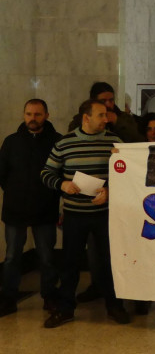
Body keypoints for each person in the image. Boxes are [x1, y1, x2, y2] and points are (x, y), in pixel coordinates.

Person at [40, 99, 130, 328]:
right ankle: (66, 309)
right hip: (75, 215)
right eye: (101, 115)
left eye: (106, 115)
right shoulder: (65, 143)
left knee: (109, 262)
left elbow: (126, 175)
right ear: (86, 118)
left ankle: (114, 306)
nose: (106, 119)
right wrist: (62, 185)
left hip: (105, 214)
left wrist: (110, 190)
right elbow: (46, 172)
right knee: (70, 264)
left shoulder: (114, 141)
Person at [0, 99, 61, 317]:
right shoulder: (11, 142)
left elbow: (61, 177)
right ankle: (8, 298)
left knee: (46, 257)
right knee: (12, 257)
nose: (32, 119)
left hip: (45, 211)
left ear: (46, 114)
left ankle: (50, 296)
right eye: (28, 114)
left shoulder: (57, 142)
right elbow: (3, 175)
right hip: (15, 210)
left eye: (37, 114)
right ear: (23, 115)